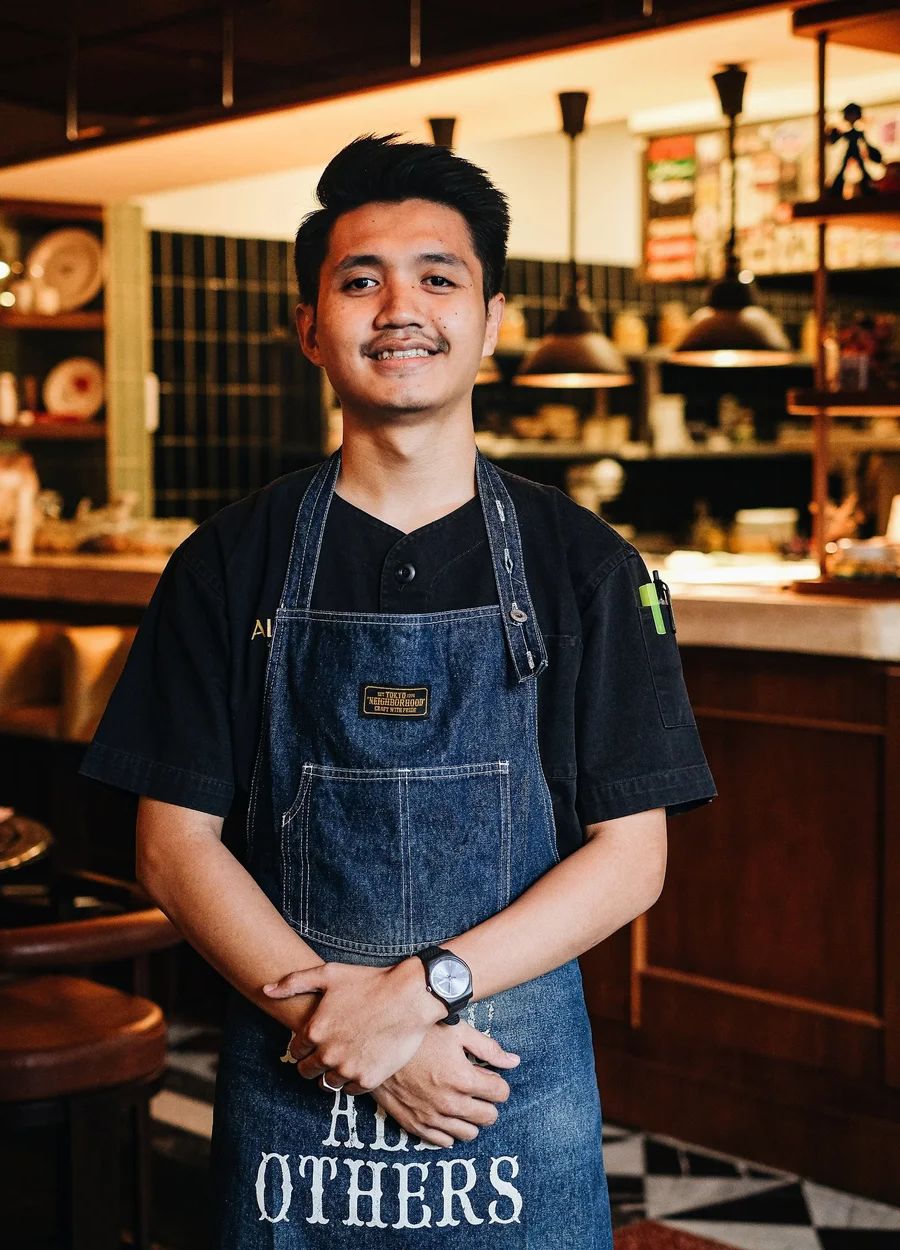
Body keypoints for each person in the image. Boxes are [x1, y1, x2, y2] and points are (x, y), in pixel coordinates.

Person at [81, 134, 716, 1248]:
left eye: (438, 277)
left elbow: (632, 857)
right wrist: (346, 1032)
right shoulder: (225, 564)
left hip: (504, 1083)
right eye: (360, 281)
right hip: (299, 1072)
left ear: (492, 319)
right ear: (308, 326)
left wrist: (414, 997)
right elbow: (173, 847)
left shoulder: (589, 567)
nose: (399, 310)